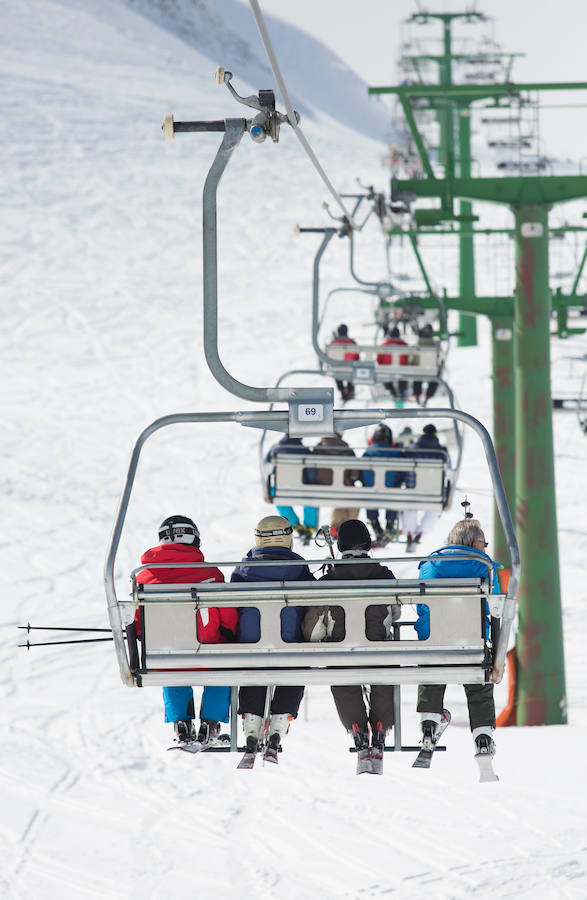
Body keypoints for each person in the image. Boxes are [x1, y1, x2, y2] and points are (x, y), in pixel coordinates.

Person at [301, 519, 400, 768]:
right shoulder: (385, 575)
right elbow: (395, 612)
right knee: (384, 674)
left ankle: (357, 728)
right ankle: (381, 727)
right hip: (377, 649)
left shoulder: (329, 580)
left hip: (342, 652)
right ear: (368, 545)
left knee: (343, 681)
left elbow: (312, 629)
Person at [135, 516, 238, 745]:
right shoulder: (209, 574)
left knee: (170, 665)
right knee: (223, 666)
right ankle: (210, 722)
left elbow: (139, 621)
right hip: (207, 650)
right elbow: (227, 611)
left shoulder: (144, 577)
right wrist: (230, 632)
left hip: (164, 654)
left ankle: (181, 722)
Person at [414, 517, 499, 759]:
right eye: (485, 544)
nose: (486, 549)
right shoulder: (486, 567)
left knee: (432, 668)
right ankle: (483, 738)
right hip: (472, 643)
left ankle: (429, 726)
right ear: (475, 542)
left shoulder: (430, 564)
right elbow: (498, 606)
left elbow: (422, 606)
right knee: (479, 682)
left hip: (434, 643)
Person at [232, 515, 314, 757]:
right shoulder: (299, 569)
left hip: (251, 644)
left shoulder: (243, 570)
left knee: (252, 666)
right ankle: (280, 720)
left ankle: (252, 722)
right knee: (297, 665)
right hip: (289, 643)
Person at [401, 424, 449, 549]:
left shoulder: (412, 449)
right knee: (433, 511)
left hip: (414, 488)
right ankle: (422, 532)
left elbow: (404, 458)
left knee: (410, 508)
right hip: (434, 490)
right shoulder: (442, 451)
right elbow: (448, 466)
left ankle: (409, 532)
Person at [264, 432, 318, 542]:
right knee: (311, 499)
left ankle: (293, 523)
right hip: (302, 488)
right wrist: (310, 482)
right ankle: (310, 526)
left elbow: (267, 467)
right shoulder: (304, 451)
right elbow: (311, 471)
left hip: (281, 488)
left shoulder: (275, 449)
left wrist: (267, 488)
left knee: (279, 501)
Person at [312, 433, 361, 537]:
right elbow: (354, 473)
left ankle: (336, 527)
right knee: (351, 497)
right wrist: (352, 479)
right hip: (343, 486)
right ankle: (349, 528)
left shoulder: (318, 447)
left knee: (341, 497)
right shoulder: (346, 448)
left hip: (321, 485)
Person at [361, 423, 400, 543]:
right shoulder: (396, 453)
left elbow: (361, 474)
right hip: (390, 494)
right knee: (395, 494)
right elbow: (401, 475)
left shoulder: (367, 453)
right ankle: (390, 524)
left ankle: (375, 524)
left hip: (371, 493)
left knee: (369, 495)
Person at [376, 326, 409, 403]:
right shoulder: (404, 344)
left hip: (387, 370)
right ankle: (402, 391)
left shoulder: (383, 345)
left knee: (385, 376)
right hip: (402, 369)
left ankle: (392, 392)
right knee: (403, 376)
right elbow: (408, 358)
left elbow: (379, 359)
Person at [412, 324, 439, 406]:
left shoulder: (417, 343)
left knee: (417, 377)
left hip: (418, 370)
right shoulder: (436, 344)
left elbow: (411, 357)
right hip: (432, 370)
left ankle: (417, 395)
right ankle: (427, 396)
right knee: (435, 380)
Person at [330, 323, 359, 402]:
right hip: (349, 368)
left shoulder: (333, 343)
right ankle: (349, 390)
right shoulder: (352, 342)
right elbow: (357, 356)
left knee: (337, 373)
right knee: (352, 372)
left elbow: (328, 355)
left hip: (337, 368)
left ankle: (342, 391)